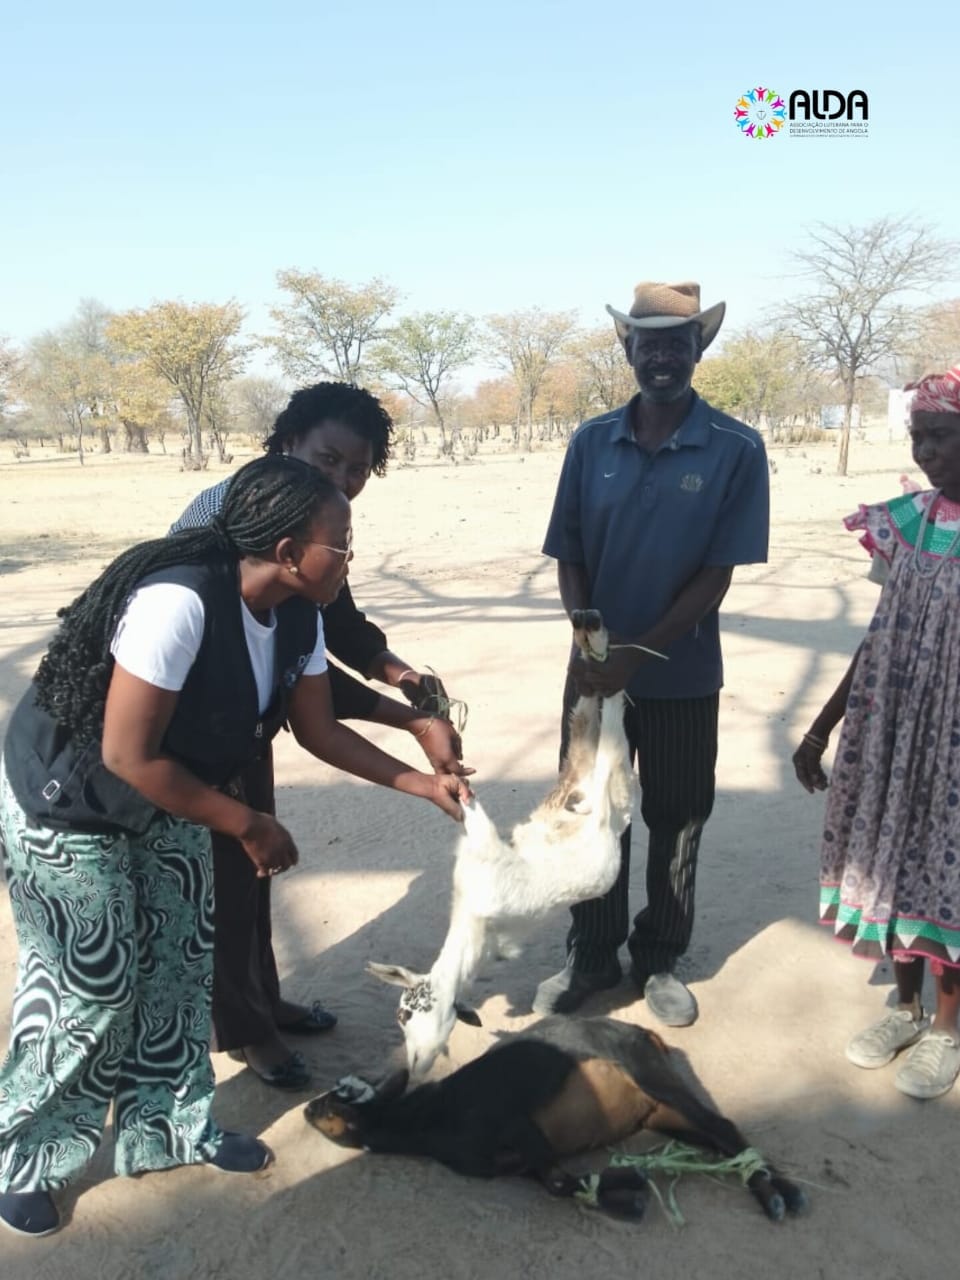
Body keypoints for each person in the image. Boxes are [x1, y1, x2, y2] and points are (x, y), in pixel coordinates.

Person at [0, 456, 470, 1238]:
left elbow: (318, 729)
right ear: (288, 551)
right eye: (340, 544)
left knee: (183, 960)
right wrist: (247, 820)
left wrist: (423, 784)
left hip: (175, 785)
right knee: (92, 984)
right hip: (74, 799)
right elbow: (125, 755)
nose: (347, 560)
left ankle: (166, 1130)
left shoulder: (299, 612)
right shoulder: (178, 601)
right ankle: (29, 1154)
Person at [170, 382, 469, 1089]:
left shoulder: (314, 529)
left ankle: (263, 1002)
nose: (340, 480)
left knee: (251, 879)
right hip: (188, 733)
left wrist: (409, 692)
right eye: (327, 458)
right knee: (221, 885)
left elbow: (329, 634)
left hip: (245, 722)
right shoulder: (231, 525)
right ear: (285, 447)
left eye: (356, 471)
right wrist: (408, 719)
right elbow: (284, 676)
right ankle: (245, 1034)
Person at [533, 281, 769, 1027]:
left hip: (681, 675)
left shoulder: (736, 447)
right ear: (626, 348)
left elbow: (716, 575)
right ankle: (592, 955)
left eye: (677, 342)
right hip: (592, 675)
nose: (662, 356)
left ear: (698, 349)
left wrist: (637, 654)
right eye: (649, 342)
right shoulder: (590, 441)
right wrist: (588, 637)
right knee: (590, 814)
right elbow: (568, 550)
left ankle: (660, 957)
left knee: (677, 815)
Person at [793, 363, 960, 1100]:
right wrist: (821, 726)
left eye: (942, 436)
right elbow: (876, 635)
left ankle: (948, 1029)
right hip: (891, 722)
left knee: (948, 868)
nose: (927, 451)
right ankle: (903, 1004)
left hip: (951, 736)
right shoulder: (906, 521)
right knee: (889, 852)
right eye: (919, 436)